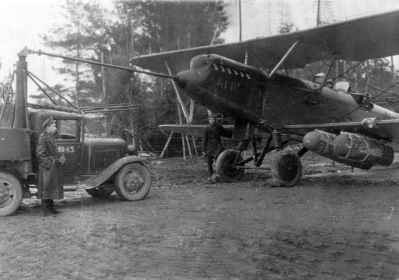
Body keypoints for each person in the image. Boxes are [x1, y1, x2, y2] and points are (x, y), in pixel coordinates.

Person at [36, 116, 66, 215]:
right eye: (53, 126)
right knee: (46, 187)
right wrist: (50, 164)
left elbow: (52, 153)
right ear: (47, 127)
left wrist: (58, 160)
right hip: (46, 168)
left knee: (51, 187)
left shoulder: (50, 137)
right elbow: (40, 155)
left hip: (51, 166)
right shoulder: (43, 138)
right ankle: (45, 210)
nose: (55, 128)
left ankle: (51, 208)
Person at [202, 114, 226, 183]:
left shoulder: (219, 127)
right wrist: (203, 150)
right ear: (209, 120)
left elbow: (225, 132)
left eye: (213, 119)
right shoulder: (206, 128)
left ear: (215, 120)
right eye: (211, 119)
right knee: (209, 164)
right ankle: (210, 177)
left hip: (217, 147)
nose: (212, 121)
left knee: (219, 163)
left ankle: (220, 177)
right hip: (209, 148)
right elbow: (204, 140)